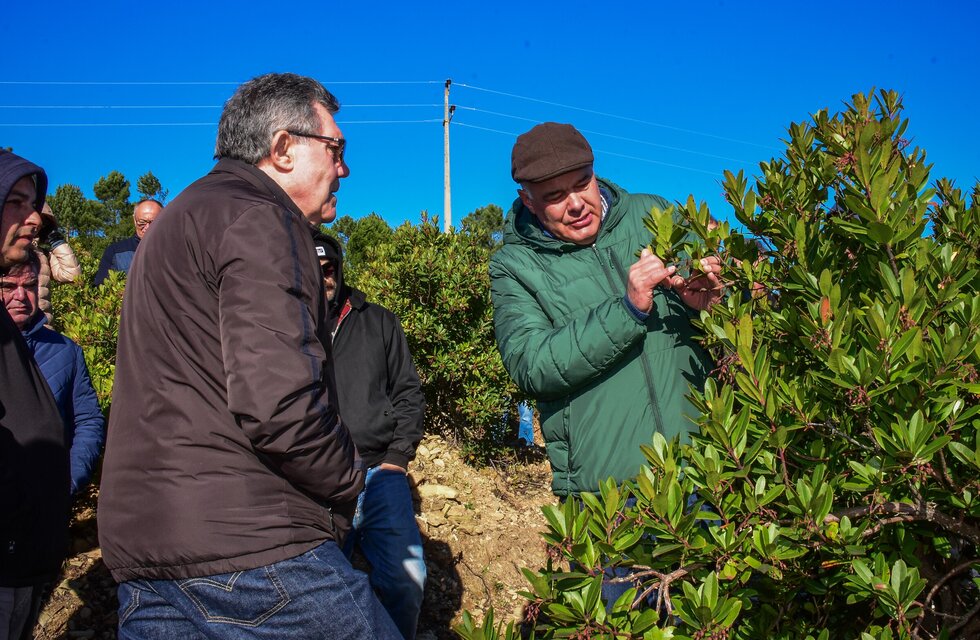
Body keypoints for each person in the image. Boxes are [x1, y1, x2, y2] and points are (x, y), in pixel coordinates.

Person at [97, 73, 400, 639]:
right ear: (282, 148)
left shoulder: (181, 219)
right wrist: (349, 479)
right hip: (252, 542)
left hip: (146, 552)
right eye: (335, 149)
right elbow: (279, 405)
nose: (344, 169)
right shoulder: (260, 217)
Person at [489, 122, 723, 499]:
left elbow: (740, 314)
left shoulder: (655, 213)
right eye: (555, 196)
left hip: (707, 468)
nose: (576, 204)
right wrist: (627, 311)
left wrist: (712, 305)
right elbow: (531, 366)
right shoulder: (514, 266)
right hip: (608, 494)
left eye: (583, 183)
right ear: (528, 201)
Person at [314, 230, 427, 640]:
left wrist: (398, 458)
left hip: (381, 472)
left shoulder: (378, 320)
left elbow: (408, 392)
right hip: (317, 480)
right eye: (314, 268)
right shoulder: (288, 323)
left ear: (340, 269)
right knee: (321, 596)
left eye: (329, 268)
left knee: (407, 581)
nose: (324, 277)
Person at [0, 151, 71, 640]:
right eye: (16, 202)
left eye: (35, 205)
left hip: (24, 548)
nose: (32, 219)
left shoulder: (58, 348)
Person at [2, 250, 105, 496]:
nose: (21, 296)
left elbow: (87, 421)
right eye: (8, 286)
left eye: (29, 286)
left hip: (46, 499)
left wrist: (70, 478)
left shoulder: (66, 352)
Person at [92, 198, 162, 285]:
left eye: (153, 222)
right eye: (142, 222)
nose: (147, 227)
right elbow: (101, 286)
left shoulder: (174, 250)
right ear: (134, 220)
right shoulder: (115, 251)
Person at [35, 203, 81, 325]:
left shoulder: (43, 255)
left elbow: (72, 275)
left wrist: (56, 240)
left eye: (44, 222)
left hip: (43, 327)